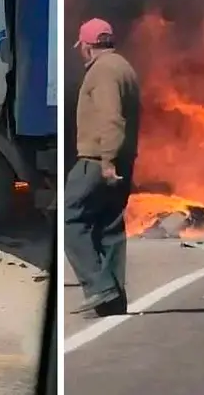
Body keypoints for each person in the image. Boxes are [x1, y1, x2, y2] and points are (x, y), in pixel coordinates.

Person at [65, 17, 141, 316]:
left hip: (97, 161)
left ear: (86, 46)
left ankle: (98, 287)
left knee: (70, 219)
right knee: (108, 226)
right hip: (121, 159)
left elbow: (112, 118)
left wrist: (107, 161)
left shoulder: (103, 72)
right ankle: (113, 302)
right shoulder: (124, 67)